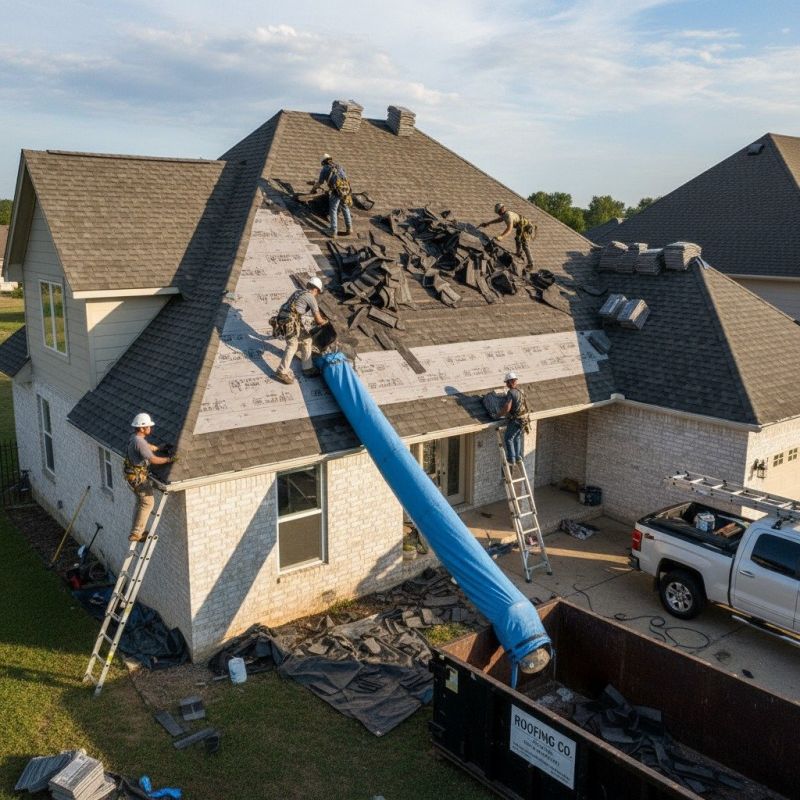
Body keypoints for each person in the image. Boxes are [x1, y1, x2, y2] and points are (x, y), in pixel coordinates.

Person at [124, 413, 177, 543]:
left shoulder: (135, 438)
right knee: (148, 502)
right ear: (142, 428)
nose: (150, 428)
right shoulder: (139, 442)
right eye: (148, 426)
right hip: (138, 479)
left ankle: (136, 531)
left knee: (141, 503)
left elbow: (147, 448)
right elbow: (153, 459)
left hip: (132, 476)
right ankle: (137, 533)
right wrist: (169, 459)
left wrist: (159, 447)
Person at [273, 277, 328, 384]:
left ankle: (307, 368)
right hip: (289, 321)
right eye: (318, 292)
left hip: (286, 318)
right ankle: (281, 371)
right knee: (292, 344)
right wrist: (325, 322)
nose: (317, 294)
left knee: (307, 340)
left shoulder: (298, 292)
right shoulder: (311, 297)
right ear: (316, 290)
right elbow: (318, 320)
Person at [479, 202, 538, 268]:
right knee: (517, 239)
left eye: (499, 211)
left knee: (524, 244)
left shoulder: (508, 215)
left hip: (526, 227)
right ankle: (519, 254)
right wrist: (487, 223)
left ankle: (531, 263)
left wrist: (501, 236)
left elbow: (509, 229)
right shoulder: (505, 215)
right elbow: (498, 220)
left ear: (503, 209)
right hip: (521, 227)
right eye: (498, 212)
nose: (499, 213)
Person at [311, 154, 353, 237]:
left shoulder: (325, 169)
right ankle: (349, 228)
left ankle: (333, 231)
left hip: (336, 191)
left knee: (333, 209)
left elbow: (320, 182)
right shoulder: (339, 166)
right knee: (345, 208)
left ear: (323, 162)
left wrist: (313, 189)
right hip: (345, 190)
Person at [499, 372, 530, 466]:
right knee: (516, 437)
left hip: (516, 420)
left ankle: (511, 459)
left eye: (507, 382)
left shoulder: (511, 393)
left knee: (508, 438)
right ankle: (518, 457)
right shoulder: (520, 391)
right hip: (524, 420)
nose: (506, 385)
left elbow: (507, 408)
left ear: (510, 382)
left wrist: (499, 415)